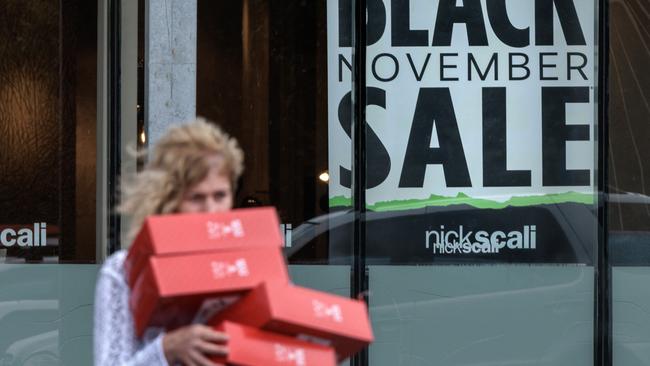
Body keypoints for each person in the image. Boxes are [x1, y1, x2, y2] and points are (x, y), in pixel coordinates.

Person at [94, 118, 244, 366]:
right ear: (168, 200)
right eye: (196, 198)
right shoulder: (123, 271)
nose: (211, 211)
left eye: (220, 195)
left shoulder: (248, 265)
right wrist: (165, 349)